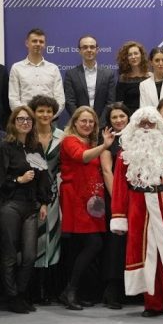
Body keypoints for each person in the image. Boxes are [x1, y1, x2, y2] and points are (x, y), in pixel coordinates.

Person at [109, 106, 163, 319]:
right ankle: (153, 303)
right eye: (142, 123)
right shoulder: (126, 152)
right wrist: (119, 216)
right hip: (139, 210)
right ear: (135, 126)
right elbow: (120, 186)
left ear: (158, 125)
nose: (147, 127)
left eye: (151, 123)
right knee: (145, 256)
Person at [0, 106, 52, 315]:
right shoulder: (4, 146)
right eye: (20, 119)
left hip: (31, 206)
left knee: (29, 255)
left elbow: (43, 177)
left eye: (28, 119)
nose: (25, 122)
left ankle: (20, 293)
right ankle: (11, 296)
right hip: (11, 204)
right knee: (10, 254)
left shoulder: (36, 147)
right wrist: (18, 180)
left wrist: (44, 202)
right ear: (13, 122)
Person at [58, 105, 113, 310]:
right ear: (74, 122)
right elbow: (82, 157)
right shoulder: (69, 140)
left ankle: (74, 291)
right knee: (93, 243)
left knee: (83, 245)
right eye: (83, 121)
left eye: (91, 121)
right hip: (76, 197)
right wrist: (104, 146)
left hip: (93, 200)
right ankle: (70, 290)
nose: (87, 124)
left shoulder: (91, 143)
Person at [30, 94, 66, 302]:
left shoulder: (62, 136)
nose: (45, 114)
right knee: (32, 239)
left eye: (49, 111)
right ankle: (33, 288)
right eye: (41, 111)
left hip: (53, 194)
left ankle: (48, 288)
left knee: (51, 238)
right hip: (29, 194)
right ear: (34, 113)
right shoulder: (27, 135)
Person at [99, 102, 131, 309]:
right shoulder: (108, 140)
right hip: (116, 200)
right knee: (116, 245)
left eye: (122, 116)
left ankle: (132, 290)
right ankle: (112, 291)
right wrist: (119, 200)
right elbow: (106, 171)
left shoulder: (137, 137)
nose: (119, 120)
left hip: (136, 198)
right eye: (114, 118)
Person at [9, 28, 65, 114]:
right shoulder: (17, 68)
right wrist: (26, 117)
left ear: (44, 45)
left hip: (49, 119)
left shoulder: (53, 69)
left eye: (41, 42)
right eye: (34, 41)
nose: (38, 44)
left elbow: (60, 100)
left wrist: (49, 116)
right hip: (25, 119)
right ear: (27, 43)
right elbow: (13, 99)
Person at [64, 34, 117, 124]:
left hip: (103, 124)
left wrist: (100, 123)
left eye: (92, 47)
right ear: (79, 51)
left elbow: (110, 102)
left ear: (97, 50)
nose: (89, 50)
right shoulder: (71, 74)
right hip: (80, 124)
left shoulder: (108, 74)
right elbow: (70, 102)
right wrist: (82, 121)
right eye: (85, 47)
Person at [115, 40, 149, 114]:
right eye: (130, 55)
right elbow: (119, 103)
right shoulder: (122, 79)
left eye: (136, 53)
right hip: (129, 116)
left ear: (141, 55)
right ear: (126, 58)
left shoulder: (150, 77)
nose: (133, 57)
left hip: (147, 115)